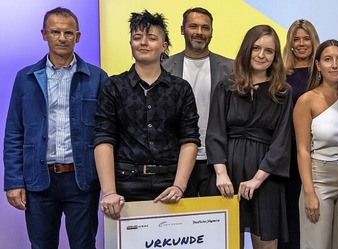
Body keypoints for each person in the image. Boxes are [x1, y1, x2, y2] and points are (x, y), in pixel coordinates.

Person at [3, 7, 107, 248]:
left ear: (78, 37)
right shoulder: (25, 78)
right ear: (44, 34)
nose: (62, 38)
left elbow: (107, 132)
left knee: (84, 245)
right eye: (55, 31)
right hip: (39, 180)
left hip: (82, 180)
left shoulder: (97, 77)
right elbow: (14, 133)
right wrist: (13, 181)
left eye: (68, 32)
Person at [94, 10, 200, 220]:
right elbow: (104, 138)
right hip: (125, 186)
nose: (143, 43)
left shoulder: (181, 88)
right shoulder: (114, 86)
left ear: (164, 46)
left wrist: (179, 185)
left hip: (171, 184)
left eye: (151, 38)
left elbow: (189, 139)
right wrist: (109, 192)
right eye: (137, 37)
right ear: (131, 43)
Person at [206, 24, 292, 249]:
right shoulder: (226, 86)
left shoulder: (283, 91)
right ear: (247, 49)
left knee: (265, 243)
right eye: (256, 48)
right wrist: (221, 174)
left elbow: (281, 142)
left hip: (265, 178)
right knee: (228, 242)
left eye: (269, 51)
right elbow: (215, 132)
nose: (261, 55)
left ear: (275, 57)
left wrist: (257, 180)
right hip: (227, 176)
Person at [294, 39, 338, 249]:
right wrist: (309, 192)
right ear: (318, 65)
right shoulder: (307, 101)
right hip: (319, 179)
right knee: (316, 244)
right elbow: (302, 150)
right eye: (328, 59)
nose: (334, 64)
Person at [163, 7, 233, 197]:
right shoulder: (164, 67)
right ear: (182, 29)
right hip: (177, 160)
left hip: (218, 160)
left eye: (205, 27)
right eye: (193, 26)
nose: (200, 33)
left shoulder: (231, 69)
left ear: (211, 32)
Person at [280, 18, 320, 249]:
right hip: (290, 153)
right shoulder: (281, 73)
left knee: (316, 211)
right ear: (290, 43)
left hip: (319, 152)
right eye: (296, 39)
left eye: (306, 38)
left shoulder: (324, 72)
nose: (302, 43)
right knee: (291, 211)